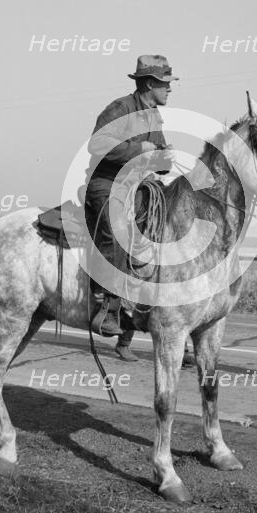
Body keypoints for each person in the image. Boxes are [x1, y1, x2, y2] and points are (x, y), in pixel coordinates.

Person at [84, 55, 177, 337]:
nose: (169, 89)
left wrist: (163, 159)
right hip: (108, 182)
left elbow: (157, 158)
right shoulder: (121, 107)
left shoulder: (152, 116)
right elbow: (97, 144)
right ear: (150, 83)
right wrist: (141, 148)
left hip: (139, 186)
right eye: (165, 84)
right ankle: (107, 308)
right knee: (116, 231)